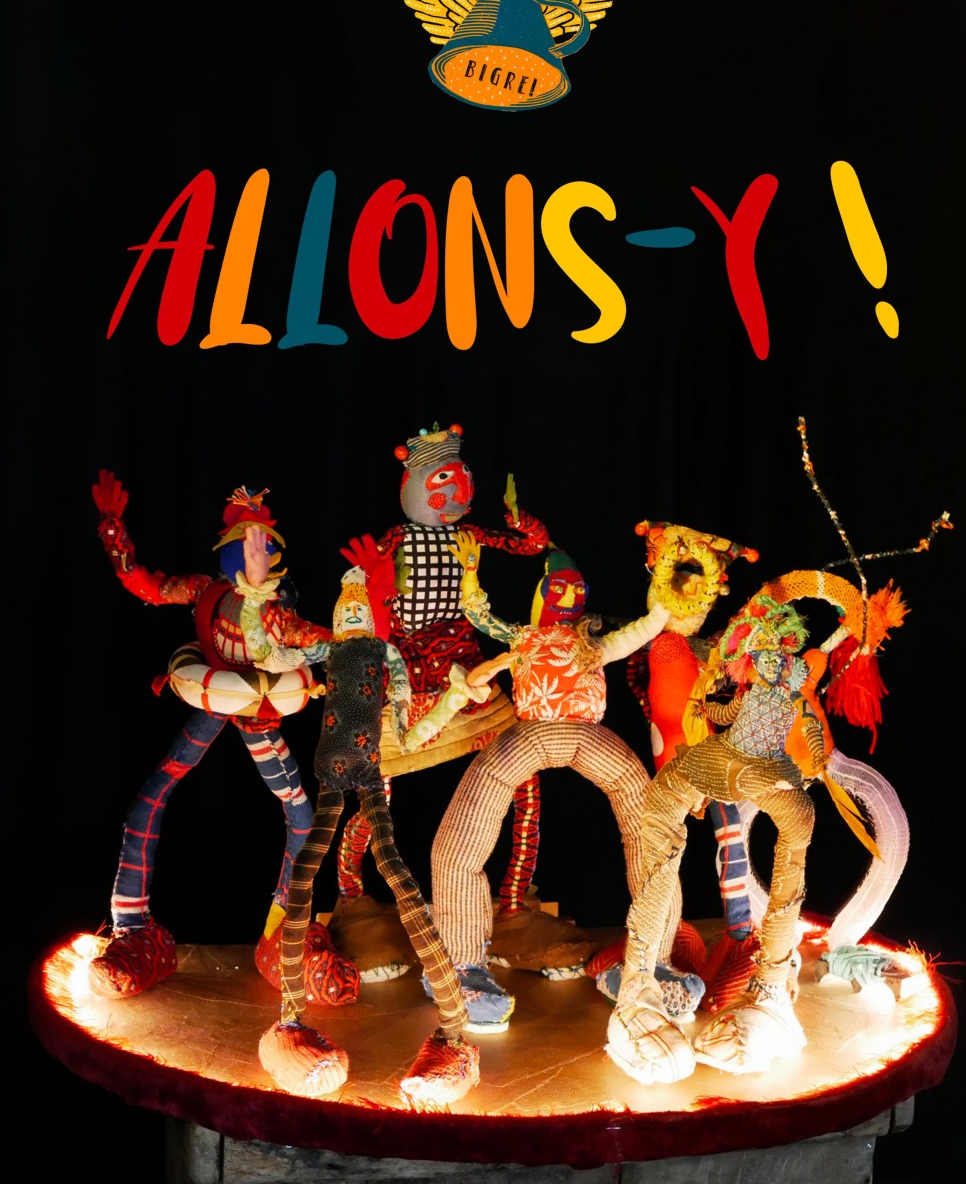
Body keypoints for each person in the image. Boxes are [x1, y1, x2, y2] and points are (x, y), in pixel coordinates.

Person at [331, 423, 593, 978]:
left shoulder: (467, 536)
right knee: (376, 791)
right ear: (414, 482)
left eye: (462, 479)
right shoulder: (395, 541)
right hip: (405, 673)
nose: (457, 493)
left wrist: (521, 522)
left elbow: (531, 547)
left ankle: (513, 902)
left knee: (522, 774)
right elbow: (358, 597)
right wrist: (368, 591)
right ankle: (353, 898)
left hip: (466, 665)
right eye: (443, 481)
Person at [87, 471, 357, 1004]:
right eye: (246, 544)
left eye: (263, 546)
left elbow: (322, 643)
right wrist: (113, 530)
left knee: (301, 815)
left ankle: (286, 933)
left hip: (259, 708)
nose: (255, 553)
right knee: (149, 800)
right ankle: (133, 930)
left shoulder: (277, 615)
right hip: (211, 695)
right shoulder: (203, 592)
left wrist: (362, 642)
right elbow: (145, 584)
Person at [424, 532, 678, 1031]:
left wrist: (666, 595)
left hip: (587, 735)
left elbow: (645, 629)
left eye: (575, 590)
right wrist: (470, 574)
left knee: (655, 833)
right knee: (458, 847)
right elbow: (480, 617)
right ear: (542, 593)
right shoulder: (524, 639)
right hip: (533, 733)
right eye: (557, 588)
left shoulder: (593, 644)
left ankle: (652, 963)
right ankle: (460, 967)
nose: (566, 598)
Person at [258, 537, 481, 1105]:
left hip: (368, 771)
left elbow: (406, 716)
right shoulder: (329, 649)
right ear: (337, 614)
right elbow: (277, 658)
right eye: (346, 608)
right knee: (304, 880)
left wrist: (451, 701)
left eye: (360, 608)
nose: (353, 615)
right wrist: (258, 609)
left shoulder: (385, 654)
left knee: (397, 872)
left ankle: (454, 1033)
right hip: (331, 776)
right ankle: (289, 1021)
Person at [605, 594, 827, 1084]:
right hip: (719, 759)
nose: (769, 663)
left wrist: (817, 755)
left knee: (793, 827)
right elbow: (727, 717)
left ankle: (770, 987)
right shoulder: (741, 685)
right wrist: (709, 706)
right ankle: (638, 981)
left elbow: (808, 723)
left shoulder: (788, 690)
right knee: (666, 828)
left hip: (764, 769)